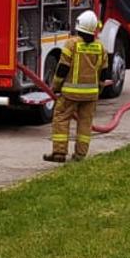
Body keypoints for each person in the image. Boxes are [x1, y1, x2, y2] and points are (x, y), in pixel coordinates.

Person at [46, 11, 106, 163]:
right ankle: (80, 155)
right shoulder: (100, 47)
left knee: (61, 118)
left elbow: (62, 68)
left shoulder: (71, 44)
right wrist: (99, 89)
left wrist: (55, 87)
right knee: (85, 123)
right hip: (91, 94)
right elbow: (104, 72)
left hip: (70, 94)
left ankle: (59, 153)